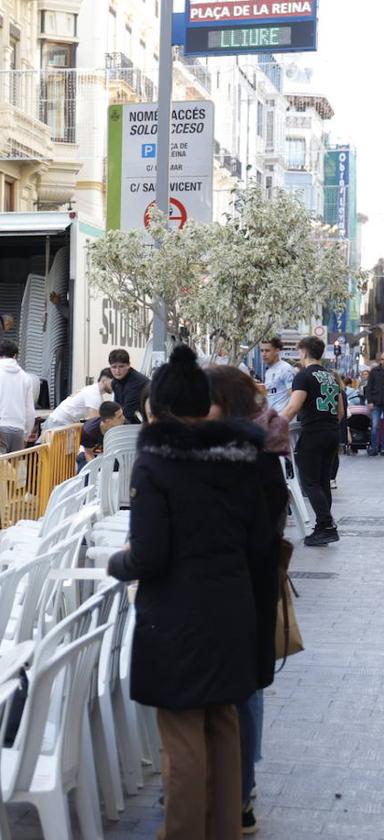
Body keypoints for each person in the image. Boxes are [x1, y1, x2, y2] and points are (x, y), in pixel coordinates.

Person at [107, 345, 275, 840]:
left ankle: (181, 832)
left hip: (178, 617)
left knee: (181, 737)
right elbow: (261, 542)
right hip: (235, 609)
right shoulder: (244, 459)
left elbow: (149, 555)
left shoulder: (157, 464)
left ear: (156, 408)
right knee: (224, 725)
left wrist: (119, 562)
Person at [207, 365, 289, 835]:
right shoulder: (261, 452)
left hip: (239, 590)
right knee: (246, 692)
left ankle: (237, 792)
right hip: (253, 588)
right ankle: (240, 790)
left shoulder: (241, 456)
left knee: (240, 694)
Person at [280, 336, 340, 547]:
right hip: (332, 430)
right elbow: (340, 410)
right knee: (322, 482)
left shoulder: (304, 376)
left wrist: (273, 424)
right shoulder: (331, 376)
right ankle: (324, 526)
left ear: (304, 352)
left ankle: (326, 526)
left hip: (313, 432)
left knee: (309, 482)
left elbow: (293, 407)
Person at [0, 340, 38, 454]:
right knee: (13, 470)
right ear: (15, 356)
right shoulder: (25, 377)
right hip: (18, 429)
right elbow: (30, 410)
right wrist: (26, 435)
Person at [44, 369, 114, 429]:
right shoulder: (94, 394)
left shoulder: (93, 391)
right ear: (104, 380)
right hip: (58, 422)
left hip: (60, 421)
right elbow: (94, 422)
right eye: (113, 382)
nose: (115, 385)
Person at [76, 401, 125, 470]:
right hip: (91, 454)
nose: (123, 418)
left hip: (110, 455)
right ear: (108, 421)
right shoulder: (88, 431)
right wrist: (96, 471)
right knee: (85, 471)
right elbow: (89, 453)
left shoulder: (124, 425)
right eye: (119, 417)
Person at [107, 348, 151, 424]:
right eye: (114, 367)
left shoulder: (137, 383)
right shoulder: (115, 382)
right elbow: (117, 409)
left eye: (121, 366)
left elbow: (127, 414)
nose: (117, 371)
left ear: (128, 365)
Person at [259, 337, 295, 414]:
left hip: (283, 419)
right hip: (270, 418)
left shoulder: (286, 369)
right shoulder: (268, 371)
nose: (264, 354)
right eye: (262, 351)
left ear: (277, 351)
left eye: (267, 351)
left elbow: (293, 398)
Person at [365, 351, 384, 456]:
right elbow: (369, 387)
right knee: (375, 426)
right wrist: (370, 401)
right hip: (376, 402)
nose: (383, 361)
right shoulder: (374, 371)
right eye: (382, 359)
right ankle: (374, 448)